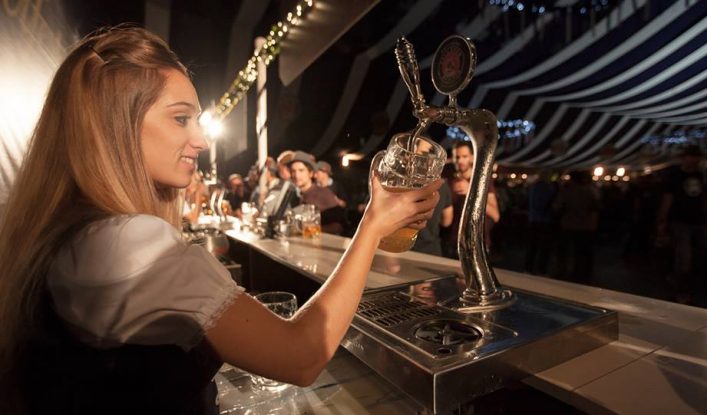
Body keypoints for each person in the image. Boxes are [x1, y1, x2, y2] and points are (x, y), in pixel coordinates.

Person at [0, 27, 442, 414]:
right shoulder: (126, 244)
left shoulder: (74, 234)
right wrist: (372, 226)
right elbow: (303, 356)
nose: (199, 139)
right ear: (114, 126)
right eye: (180, 119)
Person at [656, 144, 707, 302]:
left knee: (698, 253)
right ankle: (682, 289)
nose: (693, 160)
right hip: (680, 220)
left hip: (698, 220)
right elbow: (668, 198)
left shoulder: (703, 174)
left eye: (695, 157)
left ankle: (687, 285)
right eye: (691, 156)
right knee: (684, 256)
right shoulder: (675, 175)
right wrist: (662, 219)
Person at [446, 140, 500, 259]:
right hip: (453, 242)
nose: (460, 161)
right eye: (457, 157)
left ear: (471, 157)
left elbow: (495, 215)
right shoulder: (451, 181)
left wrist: (470, 192)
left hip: (477, 246)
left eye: (464, 156)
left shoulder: (482, 182)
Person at [289, 151, 346, 235]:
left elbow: (338, 227)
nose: (296, 175)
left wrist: (312, 230)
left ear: (311, 173)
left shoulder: (323, 194)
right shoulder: (294, 196)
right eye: (293, 171)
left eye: (301, 170)